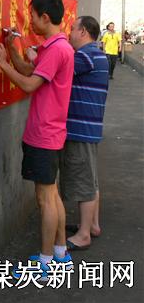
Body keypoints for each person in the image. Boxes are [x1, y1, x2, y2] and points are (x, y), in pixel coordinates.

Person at [0, 0, 74, 280]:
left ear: (45, 17)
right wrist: (12, 51)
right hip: (51, 132)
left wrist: (3, 65)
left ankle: (45, 262)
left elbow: (28, 84)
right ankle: (60, 253)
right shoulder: (56, 47)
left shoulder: (57, 50)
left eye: (33, 16)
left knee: (44, 199)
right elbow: (30, 70)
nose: (30, 22)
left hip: (44, 133)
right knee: (52, 194)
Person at [60, 16, 109, 250]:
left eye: (72, 29)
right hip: (88, 128)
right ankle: (92, 226)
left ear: (83, 32)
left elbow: (59, 69)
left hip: (81, 130)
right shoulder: (95, 54)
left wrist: (34, 56)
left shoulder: (86, 56)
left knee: (83, 182)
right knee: (90, 179)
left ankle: (83, 235)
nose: (69, 33)